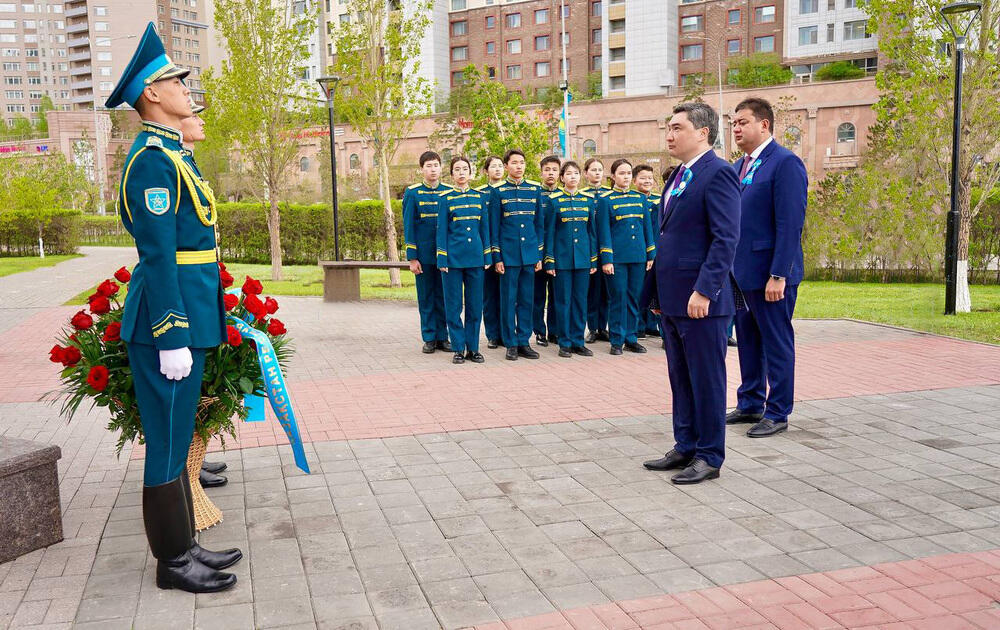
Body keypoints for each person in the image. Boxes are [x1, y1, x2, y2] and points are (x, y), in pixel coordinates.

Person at [106, 22, 240, 592]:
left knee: (178, 434)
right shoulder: (152, 162)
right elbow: (159, 257)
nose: (186, 87)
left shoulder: (171, 156)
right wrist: (171, 334)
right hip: (169, 320)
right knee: (165, 442)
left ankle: (185, 545)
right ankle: (171, 563)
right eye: (174, 80)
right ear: (152, 94)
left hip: (188, 312)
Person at [641, 102, 740, 484]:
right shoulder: (681, 174)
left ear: (702, 132)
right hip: (672, 298)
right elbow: (670, 236)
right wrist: (658, 295)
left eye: (677, 127)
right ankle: (686, 445)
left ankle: (710, 455)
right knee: (680, 377)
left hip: (701, 302)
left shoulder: (718, 173)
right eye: (668, 127)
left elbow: (725, 238)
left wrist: (705, 291)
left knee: (707, 379)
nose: (669, 134)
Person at [727, 97, 808, 438]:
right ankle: (750, 402)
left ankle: (777, 411)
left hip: (771, 274)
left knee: (776, 342)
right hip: (740, 273)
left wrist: (779, 274)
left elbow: (790, 223)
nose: (736, 128)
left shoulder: (785, 163)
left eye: (743, 122)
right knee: (747, 340)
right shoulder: (737, 167)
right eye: (734, 123)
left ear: (764, 125)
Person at [178, 103, 229, 491]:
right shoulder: (165, 162)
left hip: (198, 285)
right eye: (195, 115)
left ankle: (192, 461)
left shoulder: (187, 162)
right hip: (184, 293)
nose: (202, 120)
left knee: (195, 389)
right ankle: (186, 467)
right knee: (181, 397)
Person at [488, 149, 544, 361]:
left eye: (522, 162)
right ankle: (510, 343)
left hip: (529, 255)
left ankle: (524, 341)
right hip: (508, 255)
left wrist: (538, 254)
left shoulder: (534, 190)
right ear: (506, 166)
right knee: (509, 299)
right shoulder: (498, 191)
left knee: (527, 300)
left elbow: (539, 225)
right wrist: (497, 257)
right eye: (514, 163)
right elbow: (494, 227)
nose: (518, 166)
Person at [597, 159, 655, 355]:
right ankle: (616, 339)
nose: (626, 177)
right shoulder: (605, 200)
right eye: (621, 173)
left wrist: (650, 254)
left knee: (634, 297)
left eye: (629, 173)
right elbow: (603, 231)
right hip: (617, 259)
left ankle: (631, 337)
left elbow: (647, 228)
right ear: (613, 176)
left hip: (637, 256)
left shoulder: (640, 199)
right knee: (617, 297)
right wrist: (607, 259)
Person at [437, 157, 492, 364]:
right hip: (452, 259)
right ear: (451, 175)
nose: (461, 173)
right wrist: (442, 257)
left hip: (476, 259)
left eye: (465, 169)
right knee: (453, 306)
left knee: (474, 305)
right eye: (457, 170)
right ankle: (458, 348)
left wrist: (487, 255)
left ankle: (474, 348)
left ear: (471, 173)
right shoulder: (446, 198)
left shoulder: (479, 197)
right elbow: (441, 230)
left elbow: (484, 229)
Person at [543, 161, 597, 357]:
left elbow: (592, 232)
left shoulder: (587, 200)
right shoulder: (554, 200)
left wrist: (593, 260)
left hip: (583, 259)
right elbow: (548, 233)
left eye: (576, 173)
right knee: (563, 301)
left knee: (580, 301)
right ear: (562, 178)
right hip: (562, 260)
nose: (573, 177)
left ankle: (578, 341)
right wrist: (549, 260)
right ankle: (564, 342)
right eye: (569, 174)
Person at [403, 151, 452, 354]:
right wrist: (412, 258)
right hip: (423, 255)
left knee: (445, 296)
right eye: (429, 166)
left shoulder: (449, 191)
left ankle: (443, 337)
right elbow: (409, 226)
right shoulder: (413, 193)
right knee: (426, 296)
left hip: (445, 255)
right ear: (421, 169)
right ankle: (429, 337)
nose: (433, 169)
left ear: (441, 168)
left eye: (436, 165)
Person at [582, 158, 611, 343]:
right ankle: (592, 327)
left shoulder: (609, 195)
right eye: (593, 170)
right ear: (586, 173)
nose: (597, 173)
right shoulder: (582, 195)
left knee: (607, 291)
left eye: (600, 169)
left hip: (608, 248)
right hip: (590, 248)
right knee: (592, 290)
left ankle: (603, 326)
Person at [533, 155, 561, 347]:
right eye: (547, 170)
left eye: (554, 170)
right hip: (537, 253)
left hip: (559, 254)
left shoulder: (563, 195)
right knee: (537, 295)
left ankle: (555, 331)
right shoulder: (535, 194)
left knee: (557, 295)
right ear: (541, 172)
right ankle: (539, 331)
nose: (550, 173)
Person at [633, 164, 662, 339]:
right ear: (635, 180)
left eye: (650, 178)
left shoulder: (659, 200)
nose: (647, 181)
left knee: (655, 289)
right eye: (643, 178)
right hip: (638, 251)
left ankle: (653, 325)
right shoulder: (632, 199)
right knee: (639, 289)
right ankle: (639, 326)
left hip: (657, 251)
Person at [480, 156, 505, 349]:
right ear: (486, 171)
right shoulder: (481, 193)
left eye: (499, 166)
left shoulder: (510, 190)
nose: (497, 169)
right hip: (487, 250)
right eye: (493, 167)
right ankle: (492, 334)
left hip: (507, 251)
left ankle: (506, 332)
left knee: (508, 295)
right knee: (489, 294)